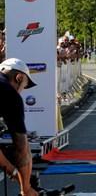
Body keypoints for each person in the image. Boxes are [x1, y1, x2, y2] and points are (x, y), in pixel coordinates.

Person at [0, 58, 38, 196]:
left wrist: (15, 174)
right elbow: (21, 146)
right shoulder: (10, 93)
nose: (21, 91)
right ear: (19, 77)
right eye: (23, 86)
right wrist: (26, 188)